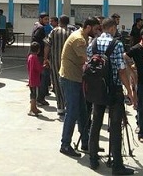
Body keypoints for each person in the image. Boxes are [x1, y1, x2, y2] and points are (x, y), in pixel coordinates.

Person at [86, 18, 135, 175]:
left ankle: (93, 158)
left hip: (97, 88)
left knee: (96, 123)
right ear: (113, 28)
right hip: (114, 89)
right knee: (115, 126)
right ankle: (117, 165)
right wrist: (130, 91)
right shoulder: (117, 44)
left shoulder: (92, 43)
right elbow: (121, 70)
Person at [58, 17, 101, 157]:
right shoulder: (79, 39)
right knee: (72, 112)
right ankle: (65, 144)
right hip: (70, 78)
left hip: (76, 78)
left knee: (83, 112)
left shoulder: (83, 37)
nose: (97, 32)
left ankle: (86, 143)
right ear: (88, 27)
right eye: (96, 29)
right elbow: (86, 60)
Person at [46, 15, 71, 118]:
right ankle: (68, 106)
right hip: (68, 63)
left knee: (56, 83)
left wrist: (45, 59)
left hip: (55, 61)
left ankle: (60, 107)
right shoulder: (71, 32)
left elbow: (47, 45)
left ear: (59, 21)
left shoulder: (54, 31)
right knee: (69, 84)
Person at [31, 12, 51, 106]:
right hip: (40, 56)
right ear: (40, 19)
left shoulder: (36, 25)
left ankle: (36, 99)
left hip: (36, 55)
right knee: (43, 77)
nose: (47, 21)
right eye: (45, 19)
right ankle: (40, 98)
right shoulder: (41, 28)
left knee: (38, 77)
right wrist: (43, 46)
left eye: (48, 19)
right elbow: (36, 39)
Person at [27, 42, 44, 116]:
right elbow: (38, 68)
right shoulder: (34, 57)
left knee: (33, 94)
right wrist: (43, 66)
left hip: (31, 78)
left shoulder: (30, 57)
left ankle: (34, 108)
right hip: (34, 79)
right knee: (34, 95)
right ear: (38, 50)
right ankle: (32, 109)